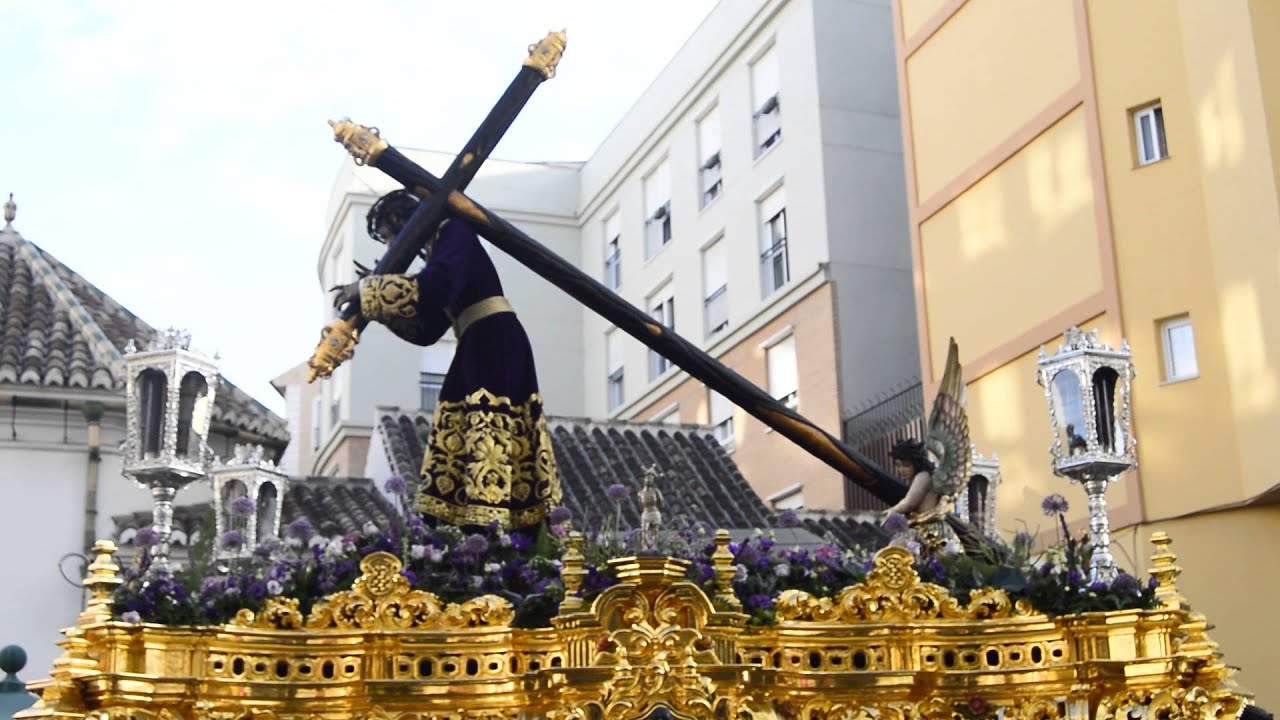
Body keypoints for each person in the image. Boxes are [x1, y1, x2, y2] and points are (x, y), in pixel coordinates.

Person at [330, 190, 560, 530]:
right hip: (476, 341)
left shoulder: (454, 231)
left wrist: (369, 290)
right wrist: (375, 304)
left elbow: (435, 287)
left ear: (399, 220)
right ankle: (464, 522)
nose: (392, 247)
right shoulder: (441, 250)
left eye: (389, 236)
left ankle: (490, 518)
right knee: (457, 430)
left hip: (493, 339)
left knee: (488, 429)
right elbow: (428, 329)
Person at [884, 438, 940, 520]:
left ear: (916, 463)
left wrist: (884, 515)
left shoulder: (923, 476)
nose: (901, 470)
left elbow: (908, 503)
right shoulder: (918, 478)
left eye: (906, 465)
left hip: (928, 527)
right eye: (898, 465)